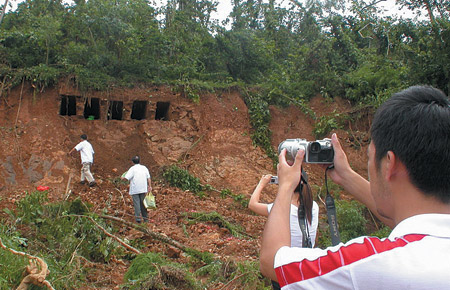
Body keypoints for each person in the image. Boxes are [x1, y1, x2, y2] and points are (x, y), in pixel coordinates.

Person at [260, 85, 450, 289]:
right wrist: (346, 176)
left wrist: (286, 185)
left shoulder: (370, 263)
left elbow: (272, 260)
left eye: (370, 156)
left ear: (389, 164)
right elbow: (409, 217)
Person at [249, 172, 319, 290]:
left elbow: (252, 204)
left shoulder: (281, 208)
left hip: (286, 268)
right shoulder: (314, 206)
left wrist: (261, 184)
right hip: (307, 267)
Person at [122, 155, 152, 223]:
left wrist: (122, 178)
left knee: (137, 204)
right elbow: (149, 178)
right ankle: (145, 219)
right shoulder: (144, 168)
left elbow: (126, 178)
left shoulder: (132, 169)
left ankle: (138, 219)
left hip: (135, 189)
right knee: (143, 204)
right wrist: (149, 186)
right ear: (139, 161)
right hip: (143, 188)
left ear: (132, 162)